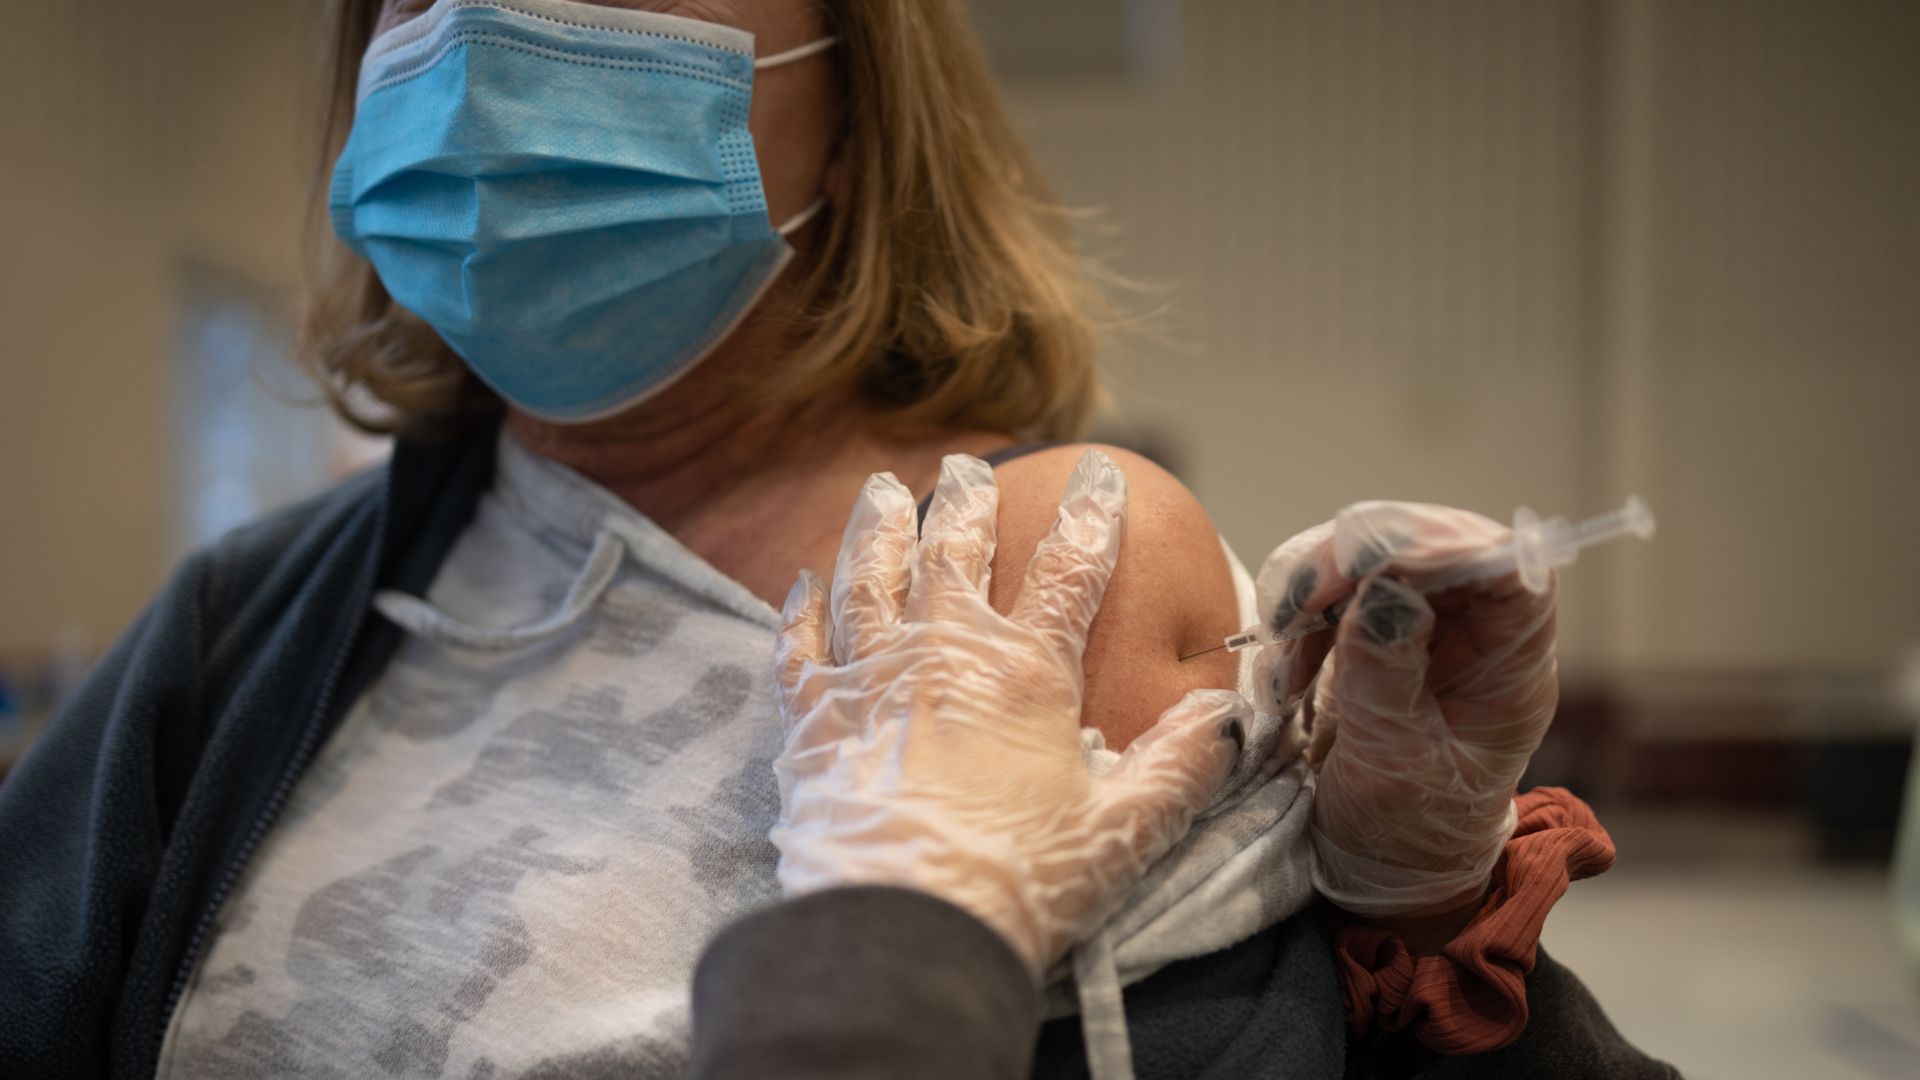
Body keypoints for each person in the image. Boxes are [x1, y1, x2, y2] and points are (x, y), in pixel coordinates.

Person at [0, 0, 1668, 1076]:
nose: (492, 30)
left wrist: (1424, 914)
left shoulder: (1053, 558)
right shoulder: (252, 624)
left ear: (857, 86)